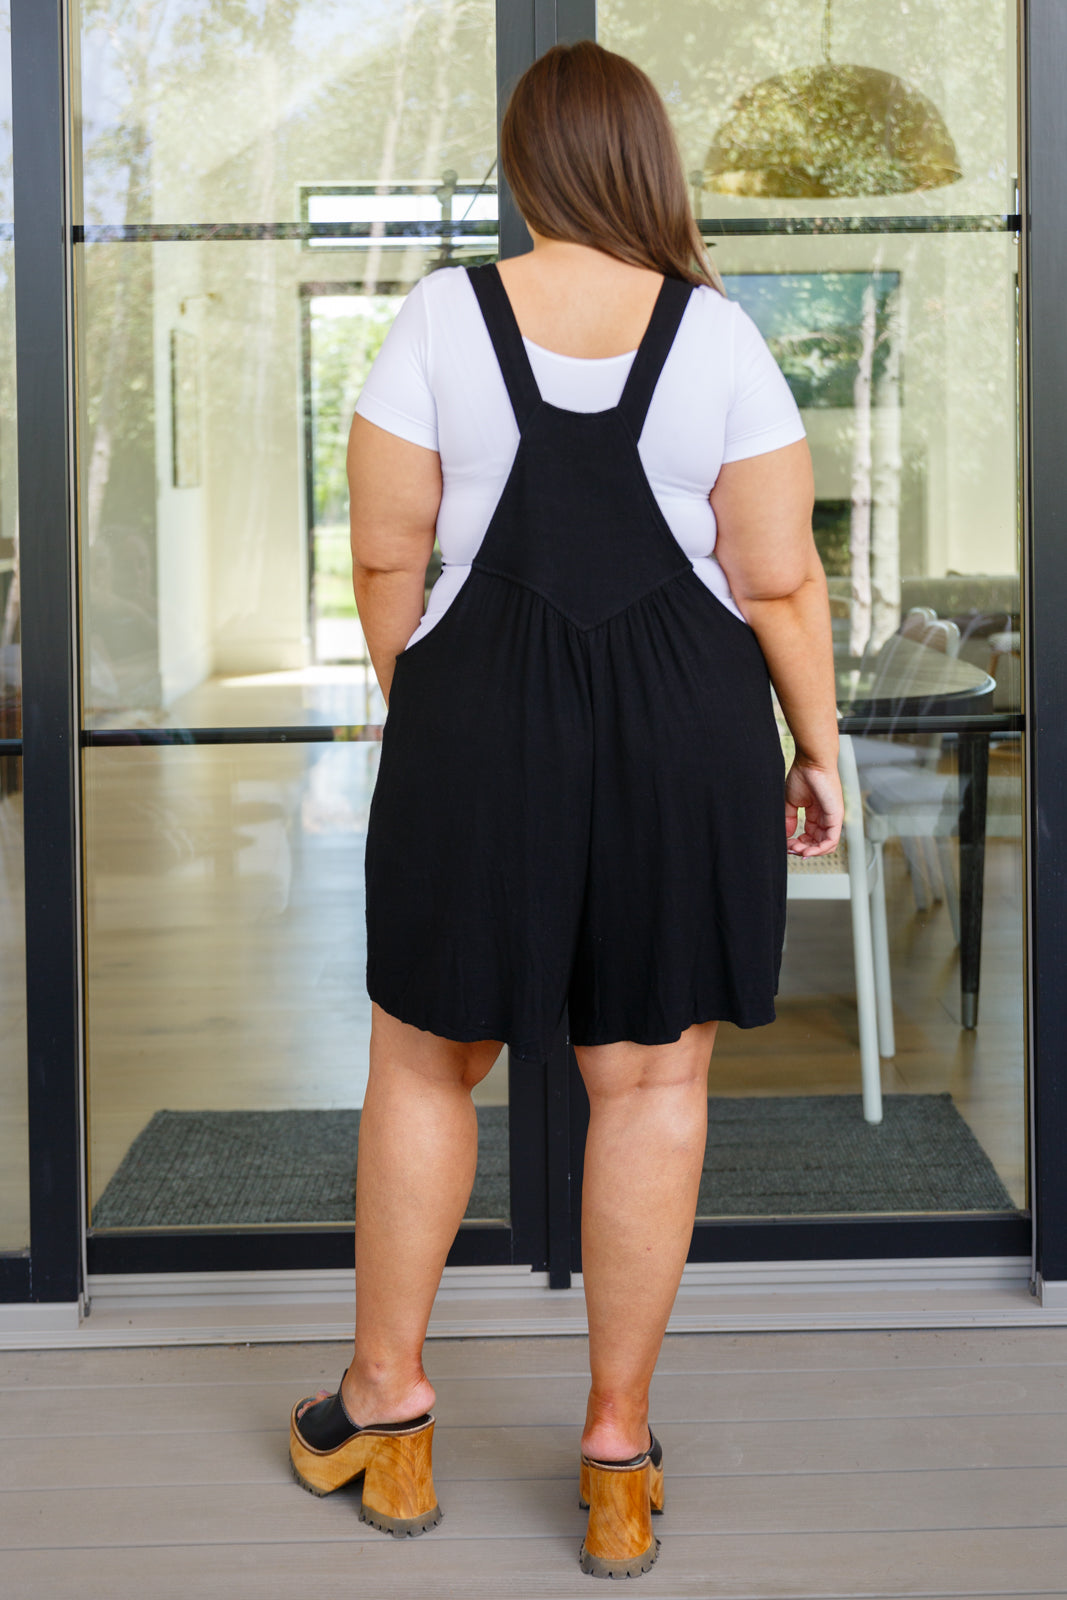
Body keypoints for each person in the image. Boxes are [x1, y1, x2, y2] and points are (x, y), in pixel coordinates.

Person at [288, 39, 843, 1580]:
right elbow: (778, 579)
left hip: (478, 717)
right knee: (652, 1085)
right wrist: (817, 749)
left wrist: (440, 709)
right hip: (686, 730)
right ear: (648, 165)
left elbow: (384, 556)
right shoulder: (719, 335)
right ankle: (615, 1454)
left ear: (527, 168)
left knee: (424, 1060)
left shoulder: (438, 317)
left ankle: (387, 1411)